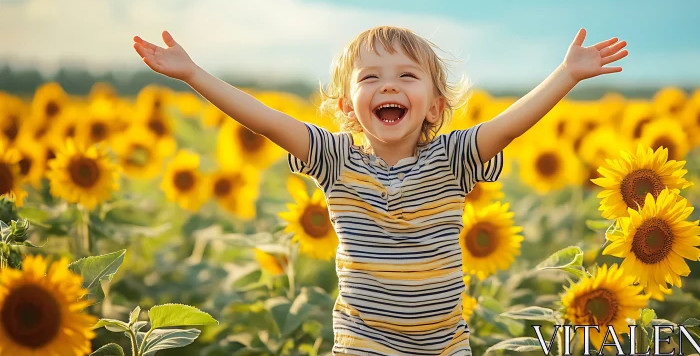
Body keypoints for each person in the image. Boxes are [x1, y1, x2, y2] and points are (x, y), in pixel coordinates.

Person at [132, 26, 628, 355]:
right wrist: (193, 74)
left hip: (443, 345)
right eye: (371, 78)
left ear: (434, 107)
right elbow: (266, 120)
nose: (388, 86)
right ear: (348, 108)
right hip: (363, 342)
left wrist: (566, 75)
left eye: (406, 76)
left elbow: (507, 127)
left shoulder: (452, 161)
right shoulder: (336, 161)